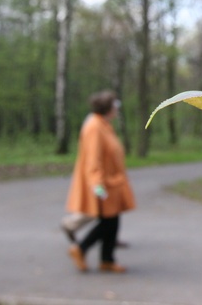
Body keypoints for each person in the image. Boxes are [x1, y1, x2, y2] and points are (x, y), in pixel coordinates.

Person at [65, 90, 135, 273]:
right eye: (115, 106)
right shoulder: (94, 127)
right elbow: (92, 160)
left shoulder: (103, 125)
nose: (117, 109)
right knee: (108, 222)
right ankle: (81, 249)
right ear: (107, 108)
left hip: (111, 183)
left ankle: (107, 260)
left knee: (112, 221)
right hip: (103, 185)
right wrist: (98, 188)